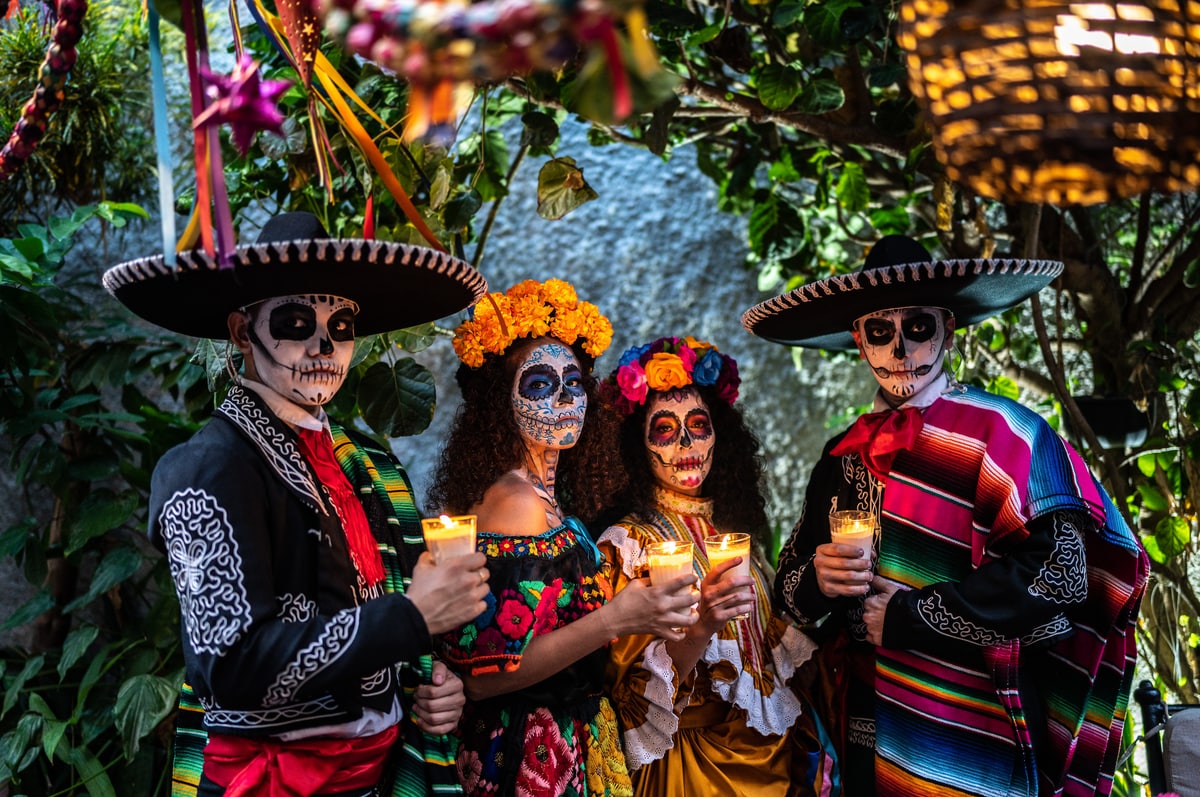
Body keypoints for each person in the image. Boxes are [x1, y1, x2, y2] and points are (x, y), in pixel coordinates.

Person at [741, 234, 1149, 797]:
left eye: (919, 327)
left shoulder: (1008, 435)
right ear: (860, 341)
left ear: (948, 328)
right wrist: (818, 580)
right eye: (881, 332)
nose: (901, 350)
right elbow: (789, 589)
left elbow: (1062, 574)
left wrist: (913, 617)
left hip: (978, 719)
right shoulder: (841, 456)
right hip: (867, 721)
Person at [102, 211, 493, 797]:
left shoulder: (356, 465)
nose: (322, 346)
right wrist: (409, 620)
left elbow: (371, 617)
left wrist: (430, 684)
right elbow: (228, 667)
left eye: (341, 325)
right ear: (241, 331)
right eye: (295, 321)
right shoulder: (206, 470)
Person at [426, 279, 700, 797]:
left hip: (570, 743)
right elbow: (486, 675)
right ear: (499, 403)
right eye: (538, 384)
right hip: (523, 753)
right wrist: (617, 618)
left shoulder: (546, 497)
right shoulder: (516, 502)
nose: (563, 398)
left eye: (574, 382)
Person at [595, 336, 819, 797]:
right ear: (638, 445)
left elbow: (768, 652)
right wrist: (702, 628)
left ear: (722, 434)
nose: (686, 443)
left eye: (699, 424)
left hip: (769, 759)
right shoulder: (629, 544)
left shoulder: (734, 533)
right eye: (664, 429)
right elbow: (628, 694)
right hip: (687, 768)